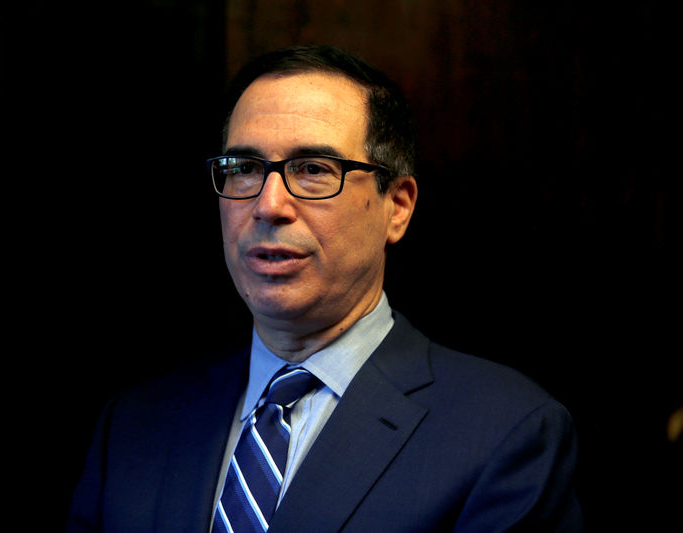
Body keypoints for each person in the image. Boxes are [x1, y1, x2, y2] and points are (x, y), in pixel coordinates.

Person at [66, 45, 583, 532]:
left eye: (313, 169)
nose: (269, 205)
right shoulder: (135, 425)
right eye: (244, 169)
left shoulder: (506, 433)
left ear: (396, 206)